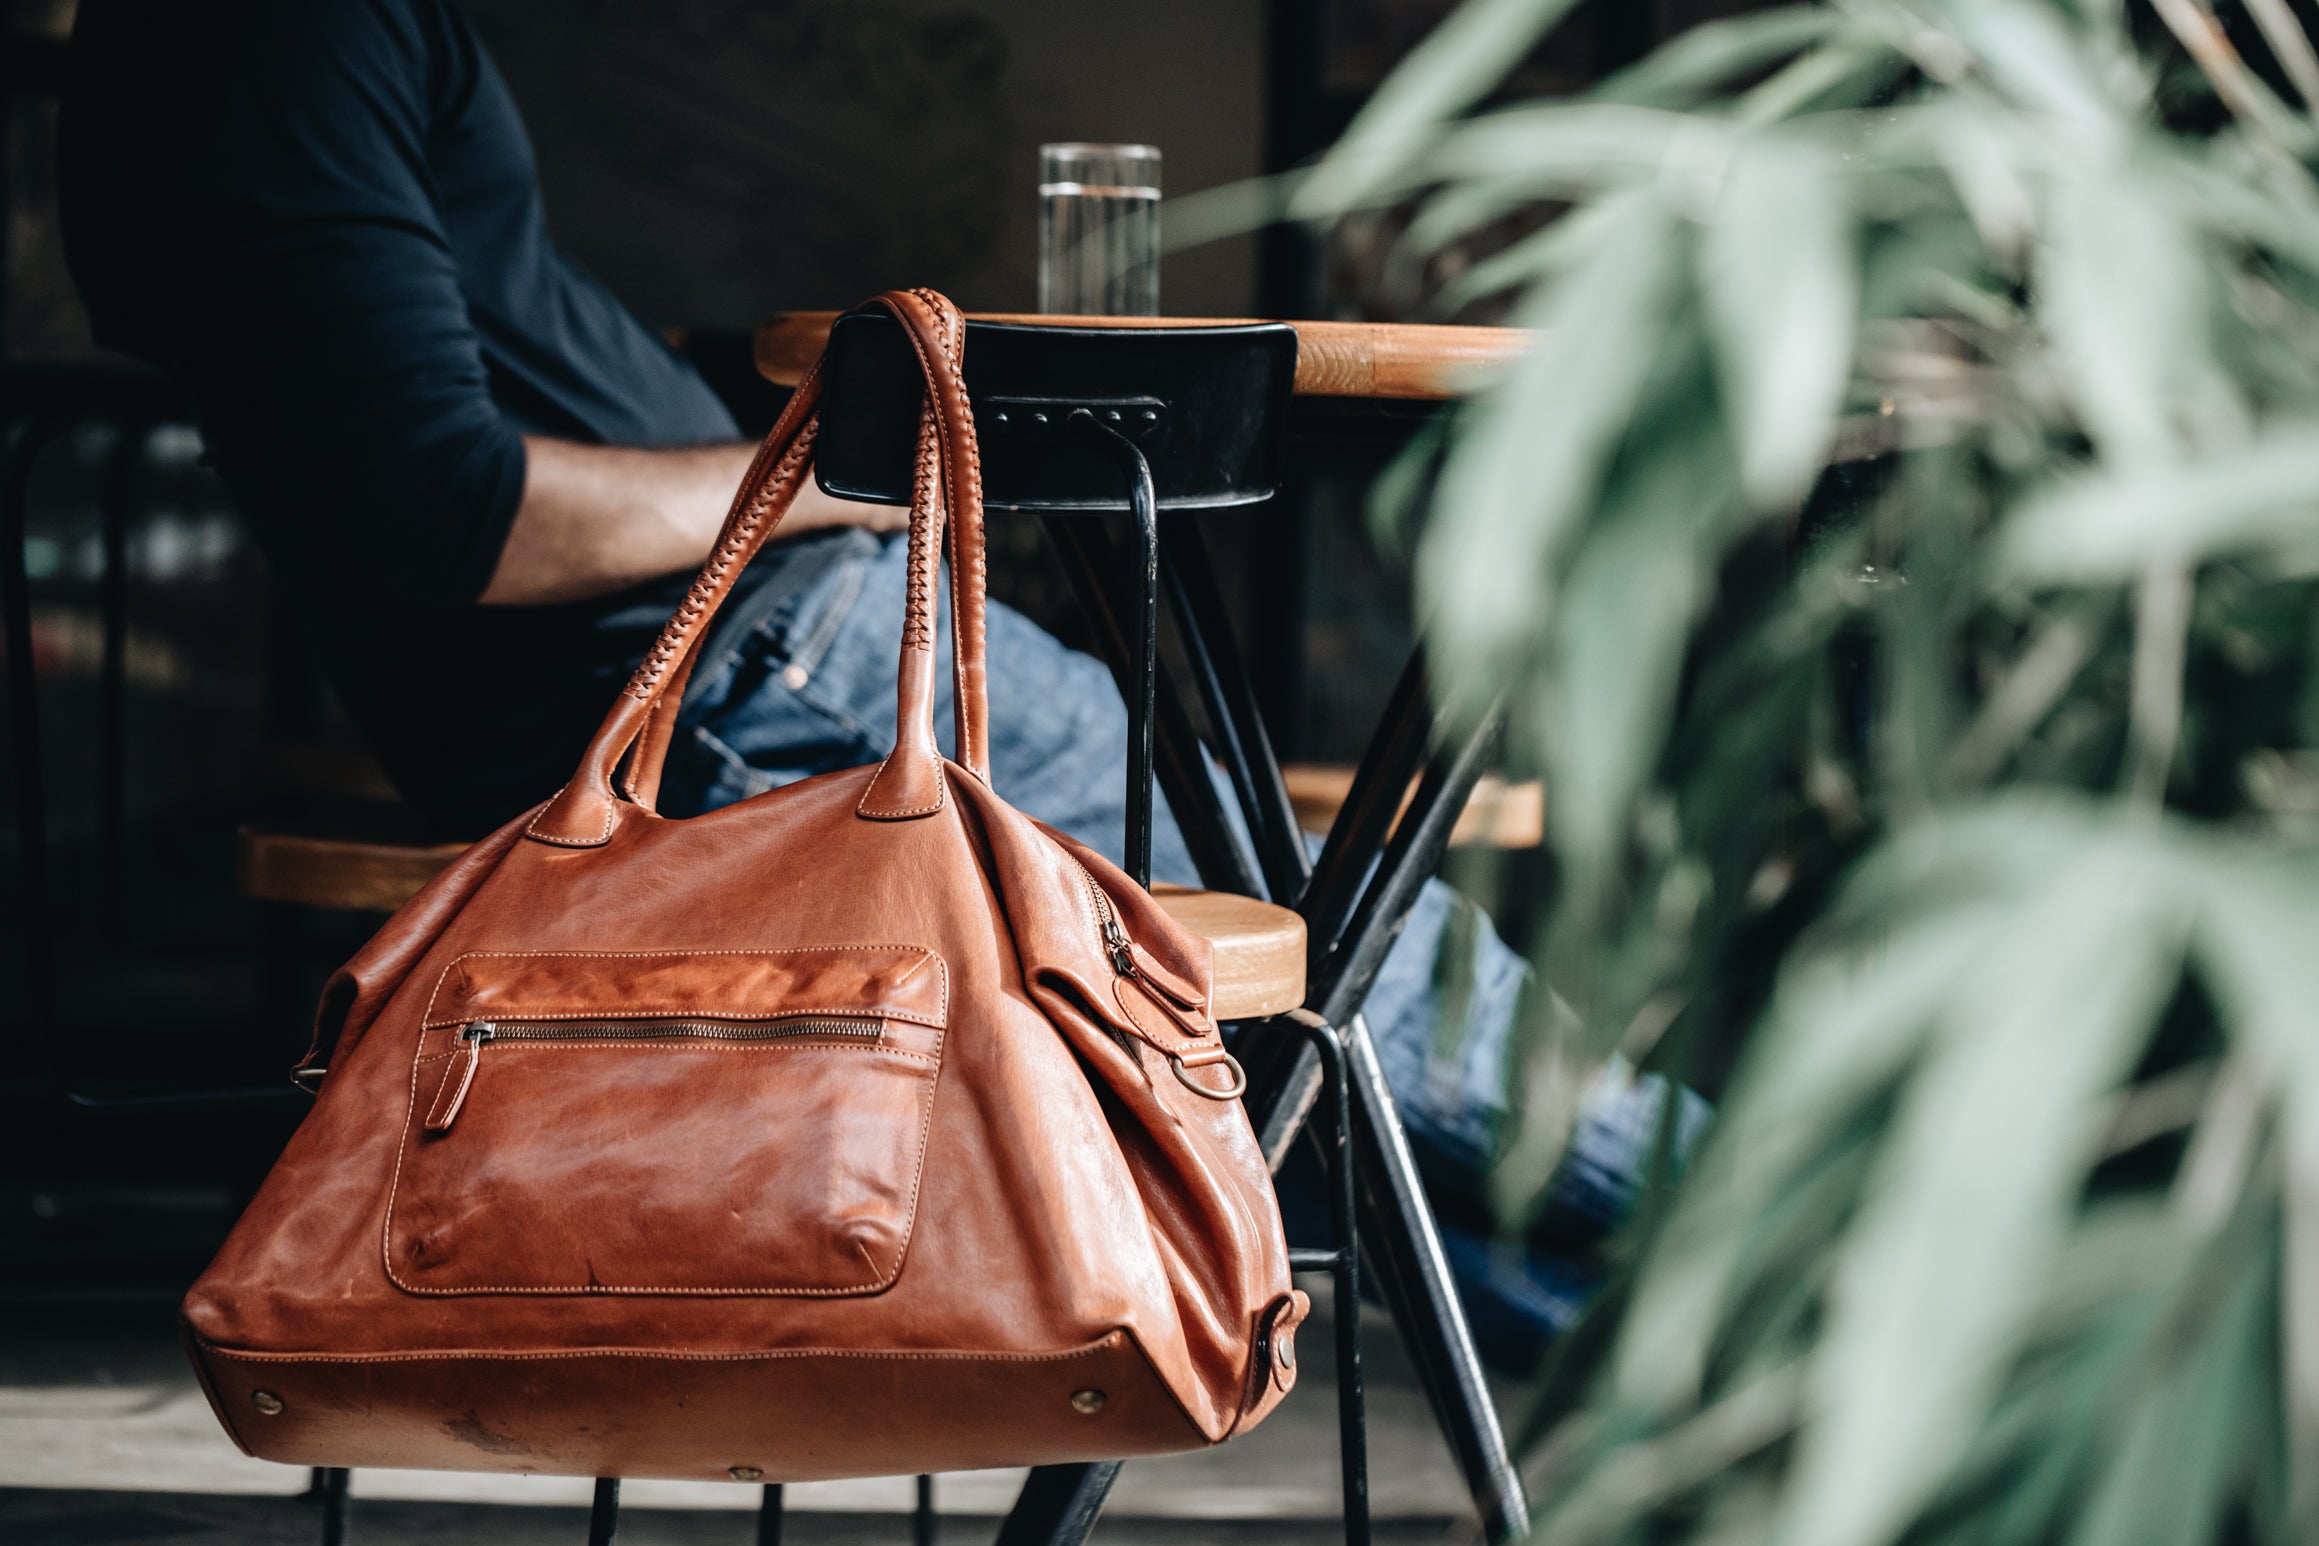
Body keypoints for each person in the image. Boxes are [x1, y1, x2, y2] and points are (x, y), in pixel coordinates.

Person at [61, 0, 1692, 1371]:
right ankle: (1838, 1274)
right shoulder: (283, 28)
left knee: (1327, 1041)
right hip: (748, 672)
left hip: (724, 673)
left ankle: (1759, 1372)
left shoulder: (197, 52)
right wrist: (848, 479)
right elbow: (456, 514)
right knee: (1365, 989)